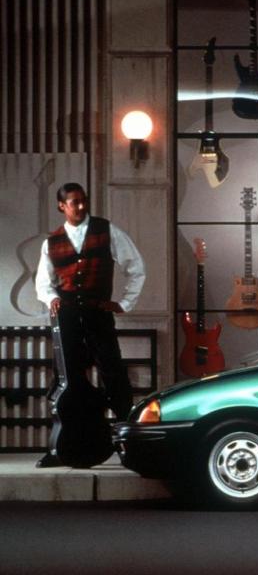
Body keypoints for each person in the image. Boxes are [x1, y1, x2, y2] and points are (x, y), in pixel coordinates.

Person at [34, 182, 146, 467]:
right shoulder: (52, 242)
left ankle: (128, 444)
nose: (81, 206)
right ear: (62, 206)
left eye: (84, 201)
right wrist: (52, 299)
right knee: (67, 378)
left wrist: (124, 303)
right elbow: (43, 284)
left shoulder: (107, 231)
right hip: (68, 317)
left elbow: (136, 267)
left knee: (113, 373)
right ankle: (64, 446)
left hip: (98, 314)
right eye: (74, 202)